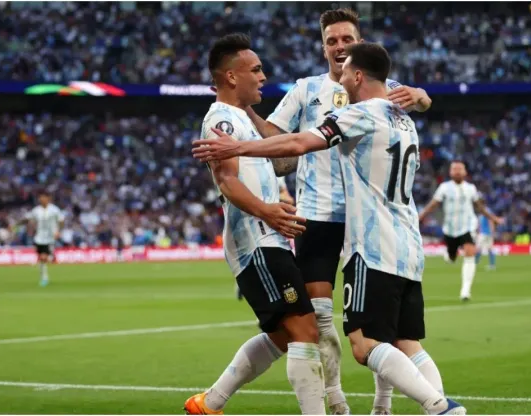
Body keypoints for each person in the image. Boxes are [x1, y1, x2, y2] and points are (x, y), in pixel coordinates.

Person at [194, 42, 466, 415]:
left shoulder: (359, 114)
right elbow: (271, 156)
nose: (339, 79)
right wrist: (420, 97)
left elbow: (297, 142)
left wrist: (238, 149)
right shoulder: (403, 118)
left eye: (346, 69)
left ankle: (438, 407)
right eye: (255, 70)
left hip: (373, 245)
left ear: (356, 75)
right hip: (408, 244)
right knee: (402, 341)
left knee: (362, 341)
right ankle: (216, 402)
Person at [240, 9, 433, 414]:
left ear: (358, 44)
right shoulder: (306, 89)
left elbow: (421, 101)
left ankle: (383, 403)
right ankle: (336, 398)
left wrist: (419, 96)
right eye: (332, 40)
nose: (340, 47)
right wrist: (250, 115)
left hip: (367, 218)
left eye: (347, 39)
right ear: (323, 46)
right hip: (319, 214)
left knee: (378, 327)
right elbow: (282, 140)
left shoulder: (382, 88)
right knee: (324, 317)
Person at [183, 33, 326, 415]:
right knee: (306, 331)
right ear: (231, 77)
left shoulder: (242, 119)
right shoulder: (221, 120)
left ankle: (209, 403)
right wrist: (269, 211)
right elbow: (226, 179)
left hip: (269, 238)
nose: (263, 77)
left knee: (282, 335)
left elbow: (278, 161)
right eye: (256, 69)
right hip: (256, 240)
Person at [418, 162, 504, 301]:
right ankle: (450, 254)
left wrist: (493, 218)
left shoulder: (471, 188)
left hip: (467, 227)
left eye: (460, 169)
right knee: (452, 258)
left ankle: (465, 291)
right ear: (450, 172)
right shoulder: (444, 188)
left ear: (465, 172)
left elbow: (480, 207)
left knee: (470, 253)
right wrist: (419, 217)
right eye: (454, 169)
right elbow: (433, 204)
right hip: (450, 229)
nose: (457, 172)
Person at [23, 190, 64, 287]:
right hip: (39, 237)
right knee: (42, 259)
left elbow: (61, 221)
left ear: (48, 198)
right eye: (40, 197)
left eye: (44, 197)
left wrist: (58, 231)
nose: (42, 199)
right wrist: (17, 225)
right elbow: (29, 219)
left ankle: (50, 258)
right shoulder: (36, 210)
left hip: (50, 237)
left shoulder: (54, 210)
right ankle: (44, 277)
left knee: (44, 257)